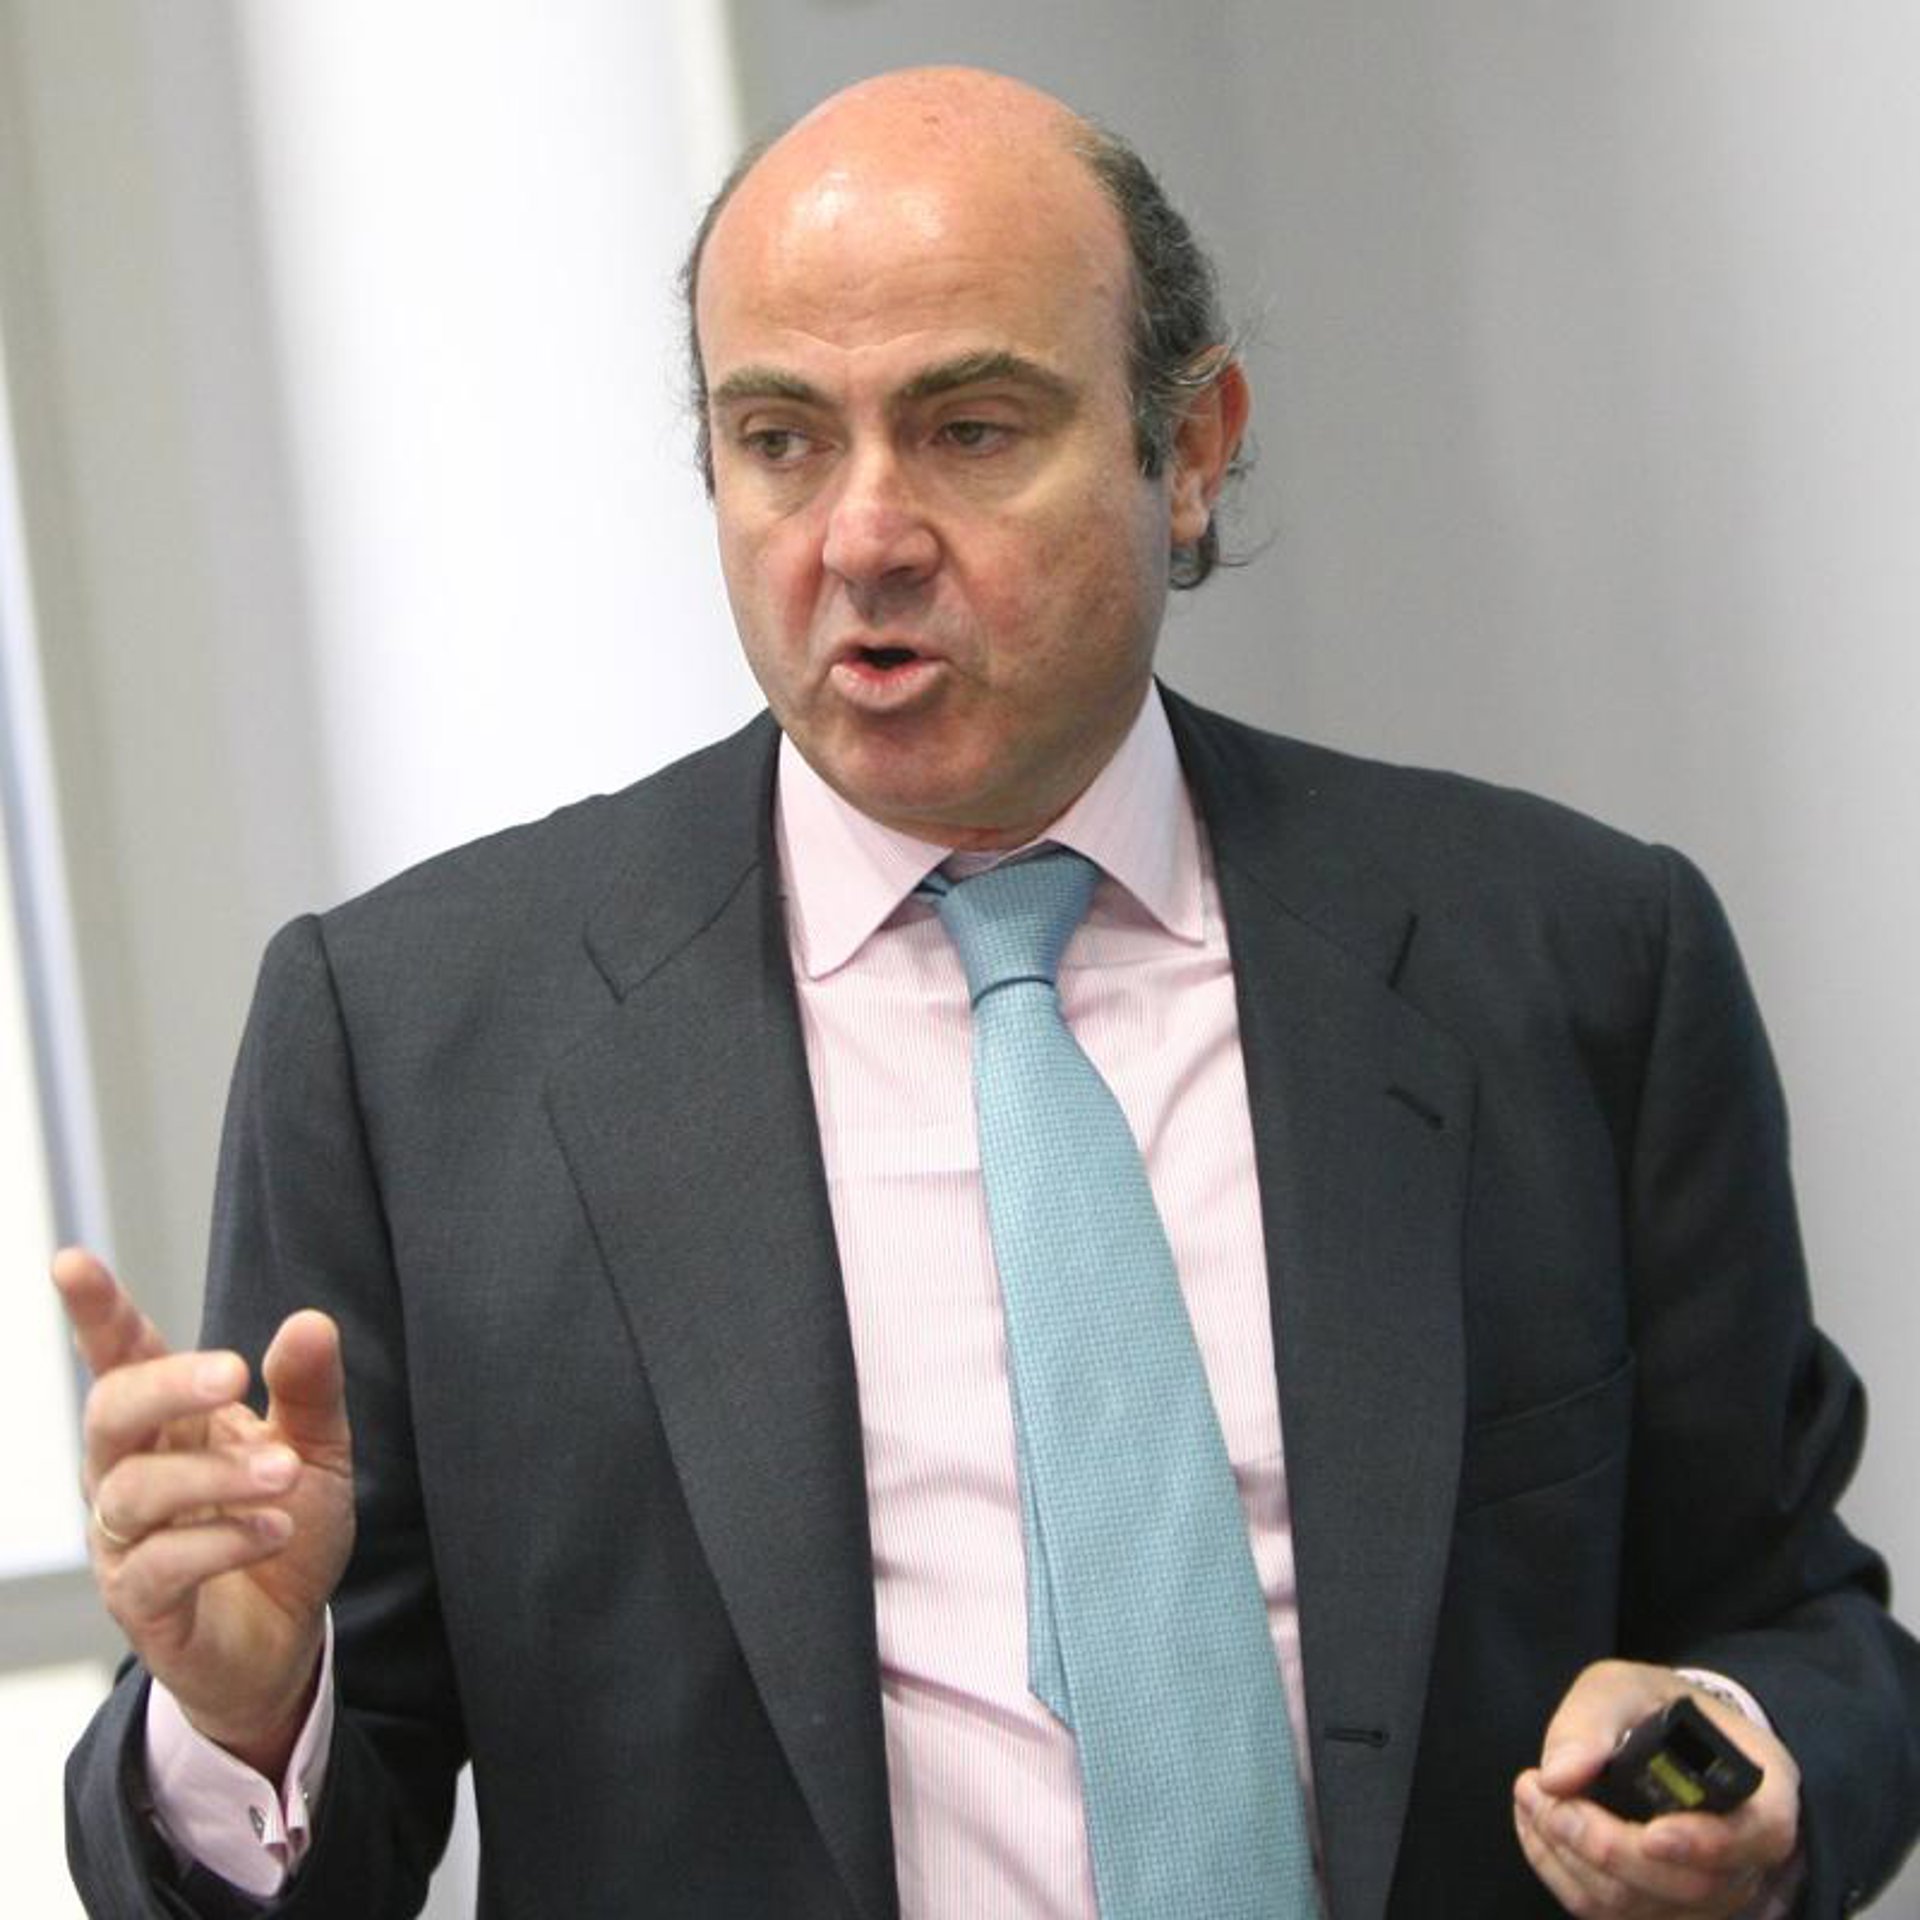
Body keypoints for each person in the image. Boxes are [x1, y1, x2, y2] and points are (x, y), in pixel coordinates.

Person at [58, 65, 1919, 1920]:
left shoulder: (1574, 962)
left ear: (1190, 449)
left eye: (967, 429)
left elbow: (1802, 1628)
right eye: (781, 439)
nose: (862, 537)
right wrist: (244, 1721)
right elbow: (333, 1823)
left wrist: (1742, 1767)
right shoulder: (413, 1045)